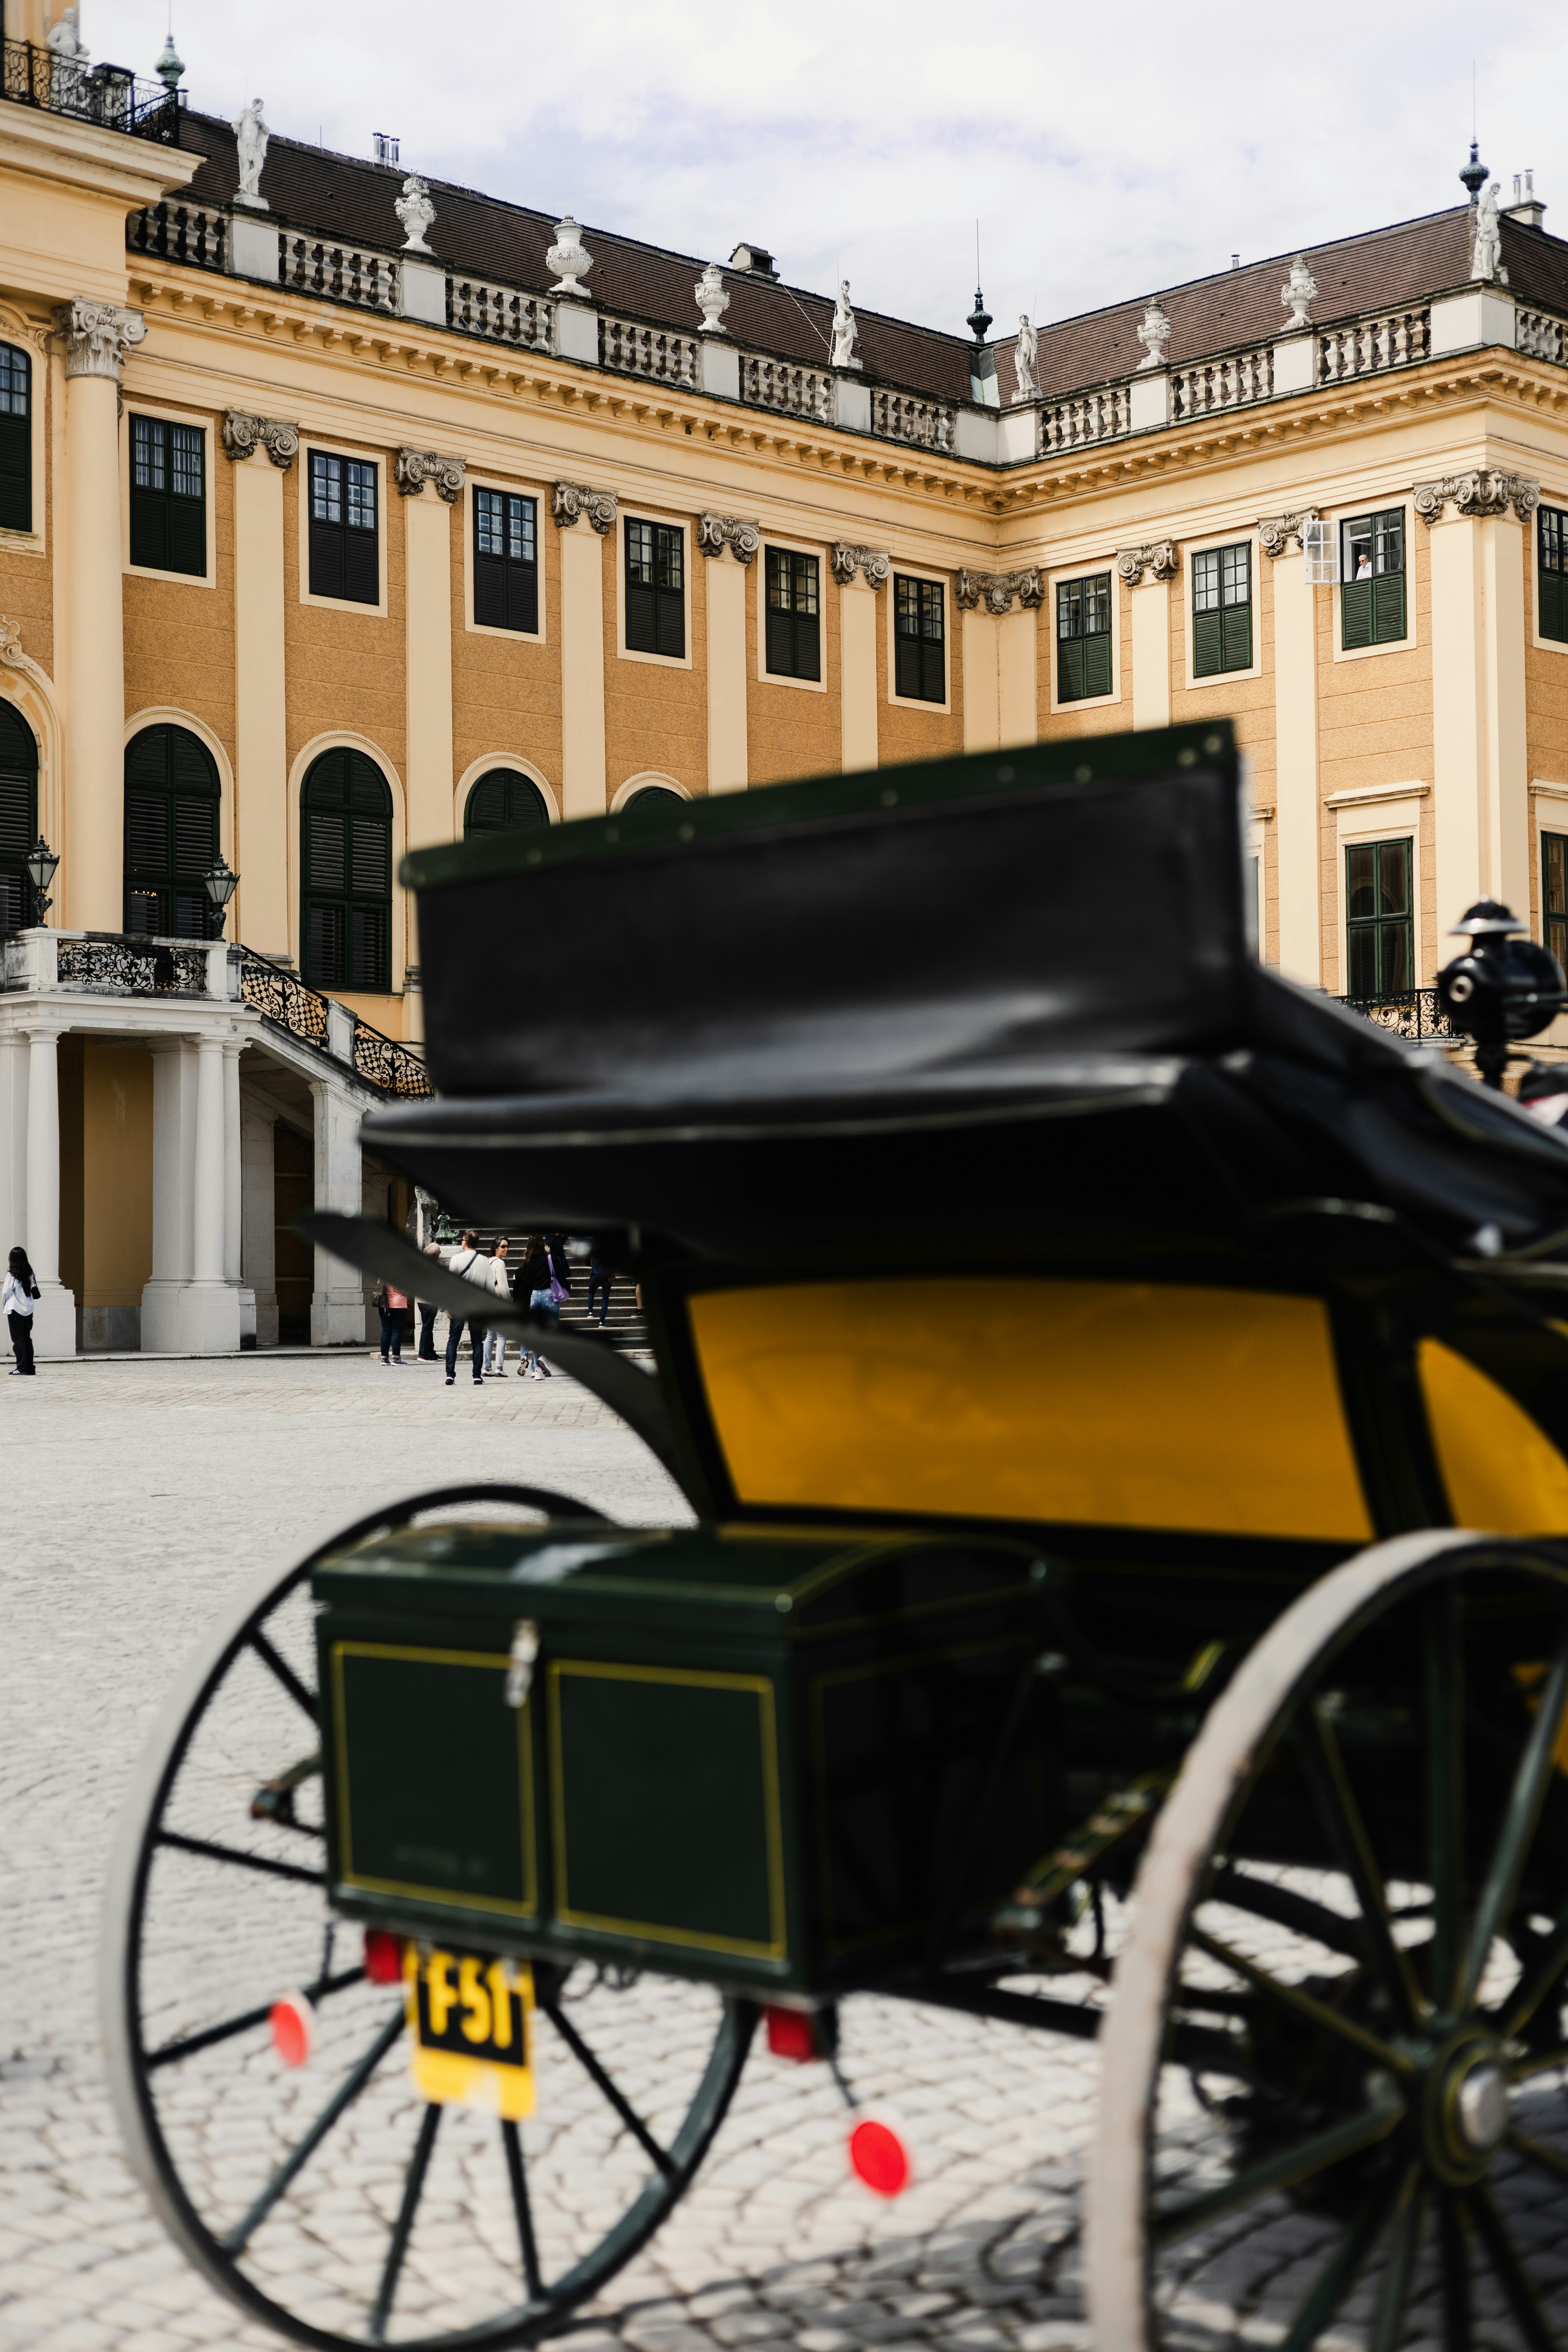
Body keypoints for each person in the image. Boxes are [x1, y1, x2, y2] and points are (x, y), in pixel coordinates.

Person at [443, 1229, 489, 1386]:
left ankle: (450, 1375)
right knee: (477, 1341)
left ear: (465, 1242)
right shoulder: (485, 1261)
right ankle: (477, 1376)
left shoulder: (456, 1259)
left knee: (453, 1341)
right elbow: (490, 1287)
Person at [517, 1232, 562, 1379]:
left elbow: (528, 1283)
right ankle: (544, 1358)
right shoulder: (551, 1258)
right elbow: (560, 1276)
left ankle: (537, 1370)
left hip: (535, 1296)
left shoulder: (528, 1262)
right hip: (550, 1295)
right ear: (543, 1244)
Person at [4, 1244, 38, 1375]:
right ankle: (30, 1368)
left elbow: (6, 1292)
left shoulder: (12, 1275)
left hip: (15, 1309)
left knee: (18, 1340)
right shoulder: (30, 1274)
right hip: (28, 1309)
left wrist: (4, 1306)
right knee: (27, 1339)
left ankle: (22, 1368)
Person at [483, 1237, 514, 1375]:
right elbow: (503, 1287)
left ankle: (486, 1367)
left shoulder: (487, 1262)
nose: (506, 1249)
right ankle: (499, 1368)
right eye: (503, 1246)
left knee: (490, 1336)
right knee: (501, 1336)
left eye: (507, 1246)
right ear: (496, 1247)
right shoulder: (500, 1263)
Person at [415, 1242, 442, 1360]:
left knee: (429, 1327)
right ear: (435, 1253)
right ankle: (423, 1354)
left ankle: (430, 1351)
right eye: (440, 1252)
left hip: (423, 1301)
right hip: (428, 1302)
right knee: (427, 1327)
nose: (440, 1255)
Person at [377, 1277, 409, 1365]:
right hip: (399, 1304)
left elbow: (379, 1287)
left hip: (384, 1304)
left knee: (386, 1331)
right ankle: (397, 1359)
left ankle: (385, 1359)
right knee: (397, 1331)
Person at [586, 1243, 614, 1329]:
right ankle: (602, 1322)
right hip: (607, 1278)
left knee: (591, 1293)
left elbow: (588, 1263)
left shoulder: (593, 1251)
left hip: (596, 1277)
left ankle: (590, 1312)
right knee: (605, 1299)